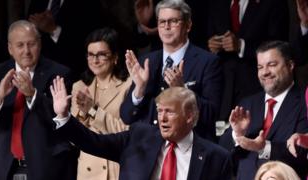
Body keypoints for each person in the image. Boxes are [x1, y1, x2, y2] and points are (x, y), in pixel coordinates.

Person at [51, 80, 233, 180]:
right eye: (160, 111)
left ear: (189, 116)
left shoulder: (216, 157)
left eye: (169, 112)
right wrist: (65, 117)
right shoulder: (139, 136)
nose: (161, 118)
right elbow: (94, 142)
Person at [120, 0, 222, 141]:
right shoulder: (147, 61)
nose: (166, 27)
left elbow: (211, 115)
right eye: (162, 22)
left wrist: (183, 91)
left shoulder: (207, 62)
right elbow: (126, 116)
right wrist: (139, 89)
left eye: (173, 21)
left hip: (189, 149)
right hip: (150, 151)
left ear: (188, 25)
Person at [0, 20, 77, 180]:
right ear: (10, 48)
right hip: (5, 166)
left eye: (31, 44)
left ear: (40, 44)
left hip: (46, 166)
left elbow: (61, 120)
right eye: (20, 45)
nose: (26, 51)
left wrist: (33, 95)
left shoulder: (59, 73)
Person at [219, 41, 308, 179]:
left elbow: (301, 152)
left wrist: (263, 147)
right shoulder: (247, 103)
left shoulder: (304, 101)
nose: (265, 72)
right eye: (260, 67)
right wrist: (236, 134)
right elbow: (222, 150)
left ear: (290, 65)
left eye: (272, 65)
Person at [207, 0, 289, 122]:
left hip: (256, 87)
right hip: (223, 90)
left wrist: (241, 45)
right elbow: (204, 38)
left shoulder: (273, 3)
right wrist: (211, 46)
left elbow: (279, 46)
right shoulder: (217, 3)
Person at [71, 28, 131, 180]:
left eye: (101, 55)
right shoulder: (79, 87)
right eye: (90, 55)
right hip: (89, 172)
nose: (95, 60)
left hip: (117, 168)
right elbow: (74, 139)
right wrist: (82, 113)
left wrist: (92, 111)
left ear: (115, 57)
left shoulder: (128, 85)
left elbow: (126, 132)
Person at [27, 0, 102, 80]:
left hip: (71, 75)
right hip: (37, 74)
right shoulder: (37, 2)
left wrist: (53, 29)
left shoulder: (89, 4)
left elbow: (87, 44)